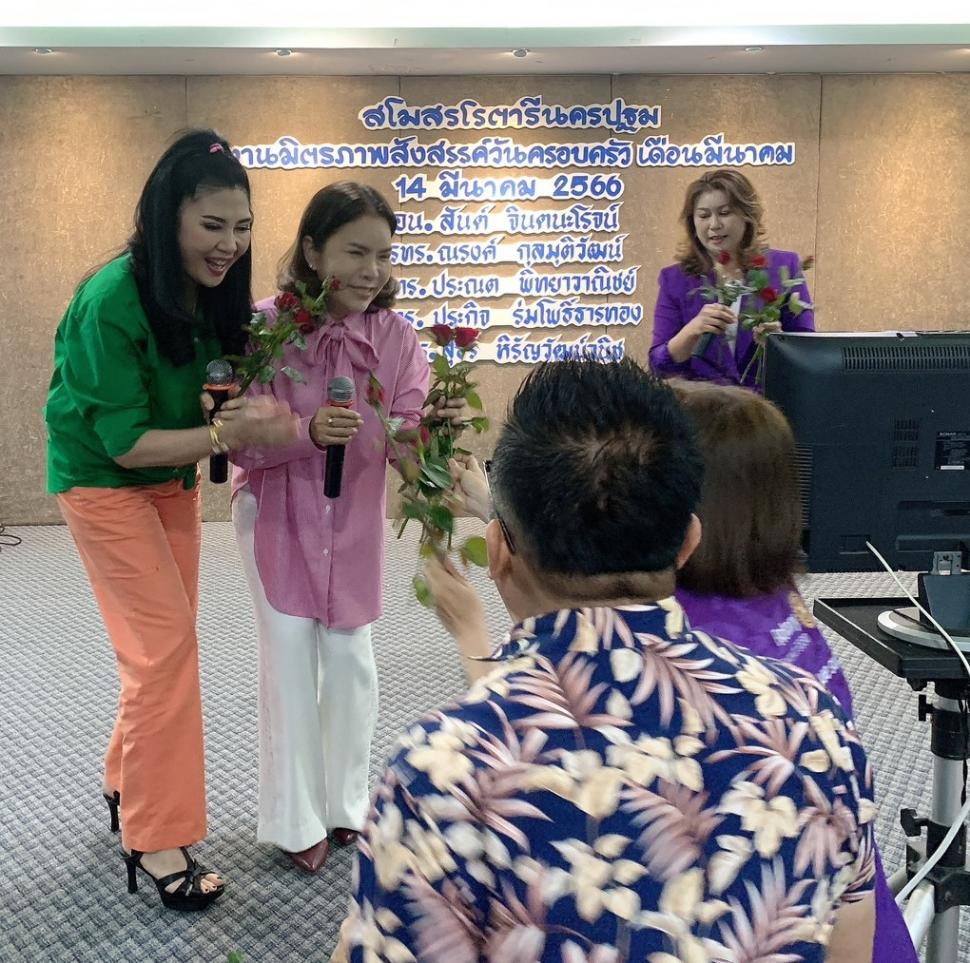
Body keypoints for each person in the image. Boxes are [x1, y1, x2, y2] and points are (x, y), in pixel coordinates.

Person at [336, 358, 876, 962]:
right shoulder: (814, 725)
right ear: (688, 542)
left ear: (497, 555)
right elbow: (851, 945)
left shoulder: (440, 772)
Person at [45, 128, 299, 911]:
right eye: (211, 225)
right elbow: (125, 443)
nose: (229, 244)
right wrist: (228, 434)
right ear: (166, 218)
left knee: (161, 646)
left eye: (242, 226)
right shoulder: (111, 300)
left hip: (170, 478)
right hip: (102, 479)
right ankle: (156, 835)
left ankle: (128, 779)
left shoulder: (214, 293)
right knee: (165, 651)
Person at [671, 378, 916, 963]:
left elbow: (548, 747)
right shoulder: (771, 596)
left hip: (780, 931)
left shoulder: (685, 636)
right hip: (858, 911)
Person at [230, 182, 430, 874]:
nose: (372, 271)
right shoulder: (266, 328)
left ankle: (346, 803)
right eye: (355, 252)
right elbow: (239, 441)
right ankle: (295, 818)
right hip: (277, 513)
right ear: (313, 251)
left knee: (350, 661)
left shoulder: (397, 338)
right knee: (289, 656)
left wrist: (432, 452)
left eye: (383, 255)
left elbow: (406, 430)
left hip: (353, 518)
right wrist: (304, 431)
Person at [649, 168, 815, 391]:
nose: (714, 225)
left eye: (725, 213)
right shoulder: (675, 279)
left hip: (768, 406)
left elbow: (808, 355)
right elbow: (659, 366)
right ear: (693, 223)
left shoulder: (784, 267)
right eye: (704, 216)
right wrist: (691, 331)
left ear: (747, 215)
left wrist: (778, 343)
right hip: (703, 408)